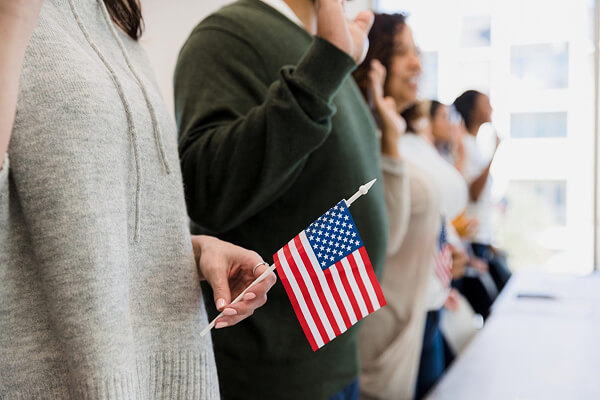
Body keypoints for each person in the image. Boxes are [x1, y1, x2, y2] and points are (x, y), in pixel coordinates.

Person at [0, 0, 276, 398]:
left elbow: (90, 205)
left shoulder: (112, 12)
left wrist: (190, 252)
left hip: (174, 378)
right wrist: (11, 20)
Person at [174, 1, 398, 399]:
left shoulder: (330, 47)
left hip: (336, 359)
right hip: (274, 378)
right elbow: (206, 191)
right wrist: (326, 62)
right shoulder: (229, 34)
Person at [353, 14, 442, 400]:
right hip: (380, 335)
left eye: (417, 54)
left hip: (410, 318)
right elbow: (383, 237)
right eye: (403, 52)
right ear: (375, 62)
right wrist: (390, 140)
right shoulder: (368, 139)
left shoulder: (394, 135)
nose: (417, 65)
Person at [399, 101, 469, 398]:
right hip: (414, 297)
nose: (450, 122)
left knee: (436, 382)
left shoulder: (428, 156)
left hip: (434, 293)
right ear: (421, 121)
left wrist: (450, 249)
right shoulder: (407, 150)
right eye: (442, 116)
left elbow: (442, 216)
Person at [453, 90, 511, 303]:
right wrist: (494, 153)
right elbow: (474, 194)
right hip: (471, 235)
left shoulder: (473, 144)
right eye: (487, 104)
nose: (492, 109)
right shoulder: (464, 145)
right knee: (485, 301)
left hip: (482, 235)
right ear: (474, 110)